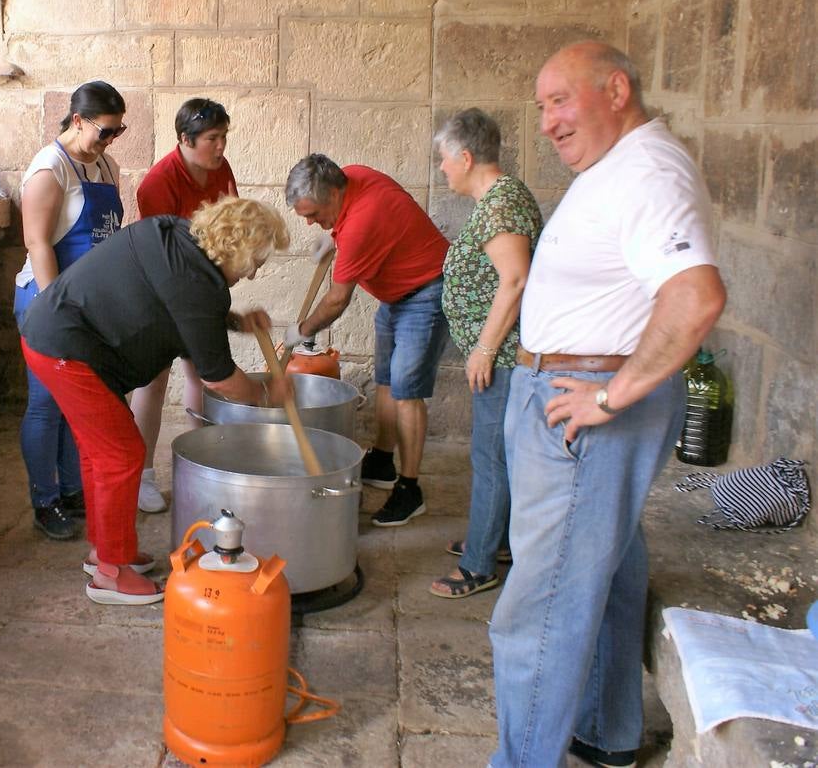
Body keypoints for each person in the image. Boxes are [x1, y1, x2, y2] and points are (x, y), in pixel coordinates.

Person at [488, 42, 726, 768]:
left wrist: (611, 395)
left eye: (561, 100)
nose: (549, 121)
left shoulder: (648, 172)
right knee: (610, 572)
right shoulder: (617, 167)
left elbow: (695, 298)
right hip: (571, 392)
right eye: (542, 106)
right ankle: (604, 729)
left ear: (616, 90)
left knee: (538, 608)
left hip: (584, 406)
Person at [19, 197, 290, 605]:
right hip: (66, 349)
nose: (253, 273)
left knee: (101, 453)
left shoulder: (175, 236)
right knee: (122, 454)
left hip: (56, 335)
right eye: (257, 261)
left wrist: (236, 322)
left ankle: (106, 553)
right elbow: (219, 378)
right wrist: (269, 394)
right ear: (237, 249)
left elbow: (181, 309)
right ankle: (110, 574)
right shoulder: (199, 284)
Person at [283, 154, 450, 527]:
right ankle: (382, 460)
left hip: (426, 293)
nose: (310, 222)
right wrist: (331, 236)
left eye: (313, 214)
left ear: (333, 194)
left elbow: (337, 300)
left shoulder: (361, 222)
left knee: (406, 391)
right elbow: (347, 224)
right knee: (387, 382)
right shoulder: (352, 178)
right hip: (397, 294)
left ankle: (409, 489)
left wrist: (303, 330)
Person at [429, 109, 542, 600]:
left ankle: (479, 566)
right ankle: (493, 539)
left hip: (502, 357)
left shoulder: (501, 205)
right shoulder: (499, 200)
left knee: (491, 457)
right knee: (497, 455)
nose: (441, 169)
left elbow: (514, 280)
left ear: (466, 157)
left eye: (443, 160)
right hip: (498, 354)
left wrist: (484, 347)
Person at [14, 81, 127, 540]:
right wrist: (55, 306)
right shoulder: (49, 168)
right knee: (45, 404)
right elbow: (37, 241)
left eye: (118, 131)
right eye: (104, 131)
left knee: (75, 403)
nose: (110, 140)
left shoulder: (105, 164)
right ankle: (45, 500)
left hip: (89, 304)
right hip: (48, 302)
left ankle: (73, 489)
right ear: (77, 120)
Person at [129, 98, 238, 514]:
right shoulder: (158, 183)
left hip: (205, 286)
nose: (221, 147)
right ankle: (143, 476)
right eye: (213, 138)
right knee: (153, 381)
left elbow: (232, 224)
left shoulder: (220, 169)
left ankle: (200, 466)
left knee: (203, 374)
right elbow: (165, 253)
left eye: (224, 137)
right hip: (160, 291)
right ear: (184, 140)